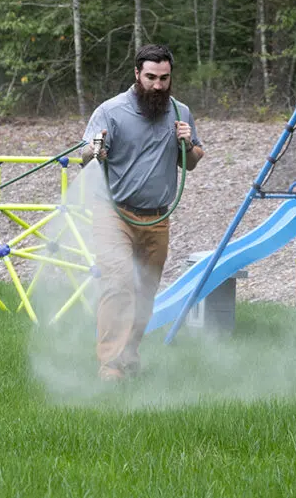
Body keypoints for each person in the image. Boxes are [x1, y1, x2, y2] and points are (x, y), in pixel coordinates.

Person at [81, 43, 204, 382]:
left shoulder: (180, 112)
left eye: (164, 78)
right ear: (137, 74)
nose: (158, 85)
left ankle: (129, 355)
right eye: (150, 77)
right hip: (114, 212)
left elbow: (191, 163)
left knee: (144, 293)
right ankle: (109, 365)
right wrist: (96, 150)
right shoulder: (111, 111)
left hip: (158, 216)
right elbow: (83, 155)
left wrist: (189, 142)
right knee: (119, 282)